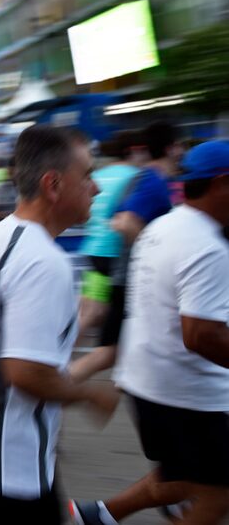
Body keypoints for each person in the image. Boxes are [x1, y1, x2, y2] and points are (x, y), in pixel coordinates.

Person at [0, 125, 119, 525]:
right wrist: (89, 395)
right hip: (9, 450)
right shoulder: (45, 261)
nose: (97, 188)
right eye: (88, 175)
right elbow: (24, 372)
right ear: (53, 184)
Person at [68, 141, 229, 525]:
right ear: (222, 184)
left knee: (189, 474)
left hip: (148, 384)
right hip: (185, 394)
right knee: (218, 494)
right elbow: (200, 334)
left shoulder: (163, 226)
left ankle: (102, 516)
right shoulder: (207, 245)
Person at [70, 121, 180, 382]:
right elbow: (123, 221)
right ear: (133, 151)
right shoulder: (141, 177)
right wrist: (155, 249)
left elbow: (110, 216)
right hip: (117, 263)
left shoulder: (114, 174)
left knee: (90, 316)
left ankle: (56, 360)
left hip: (96, 254)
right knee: (109, 343)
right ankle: (53, 384)